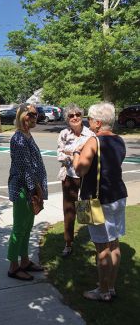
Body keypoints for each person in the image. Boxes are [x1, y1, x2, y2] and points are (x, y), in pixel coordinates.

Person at [73, 102, 127, 302]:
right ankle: (110, 286)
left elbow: (80, 170)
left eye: (89, 118)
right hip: (118, 196)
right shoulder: (119, 140)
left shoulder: (93, 141)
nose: (87, 121)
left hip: (97, 200)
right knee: (114, 244)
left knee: (101, 248)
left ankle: (102, 291)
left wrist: (76, 154)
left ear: (97, 122)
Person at [7, 103, 48, 281]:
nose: (35, 117)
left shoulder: (27, 135)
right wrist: (36, 190)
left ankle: (24, 261)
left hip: (31, 188)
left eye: (36, 114)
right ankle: (13, 266)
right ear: (22, 115)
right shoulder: (18, 139)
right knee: (19, 228)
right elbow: (25, 169)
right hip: (24, 189)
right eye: (31, 114)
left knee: (27, 227)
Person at [57, 104, 94, 257]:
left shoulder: (91, 134)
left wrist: (70, 153)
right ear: (67, 118)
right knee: (69, 210)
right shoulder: (64, 134)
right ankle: (68, 243)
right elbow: (60, 155)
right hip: (69, 177)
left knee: (88, 208)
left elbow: (92, 155)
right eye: (71, 115)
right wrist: (76, 154)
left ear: (82, 116)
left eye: (77, 114)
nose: (75, 118)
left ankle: (95, 239)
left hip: (86, 177)